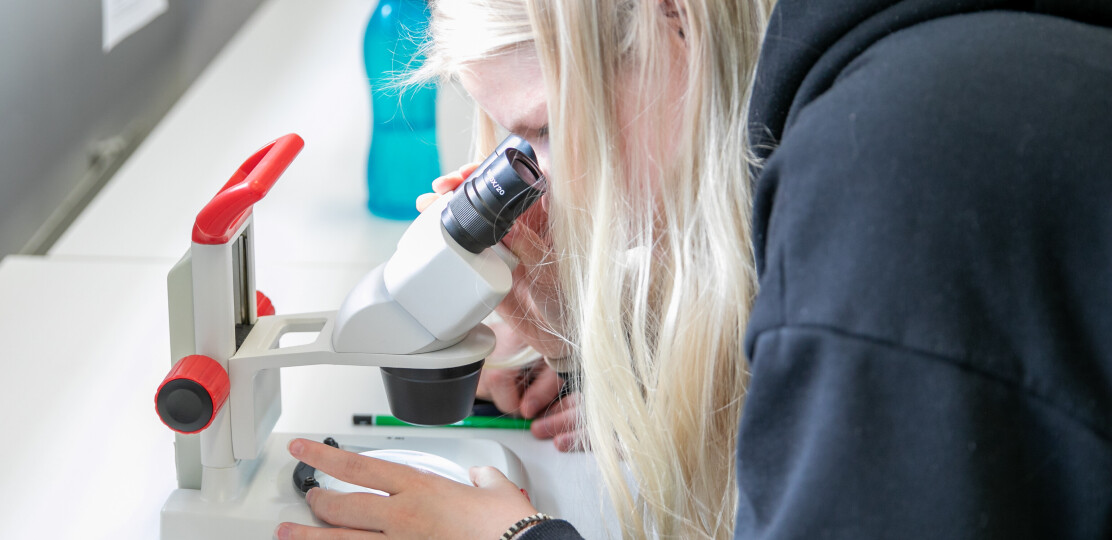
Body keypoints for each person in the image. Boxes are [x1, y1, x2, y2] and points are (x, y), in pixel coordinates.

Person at [279, 0, 1112, 538]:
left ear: (671, 21)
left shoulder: (895, 179)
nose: (539, 184)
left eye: (542, 132)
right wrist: (603, 346)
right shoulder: (899, 71)